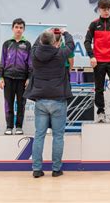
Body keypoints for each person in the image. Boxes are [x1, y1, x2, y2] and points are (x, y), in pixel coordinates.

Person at [24, 29, 75, 178]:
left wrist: (43, 32)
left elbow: (34, 45)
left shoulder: (34, 54)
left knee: (39, 135)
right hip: (58, 100)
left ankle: (37, 169)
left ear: (40, 40)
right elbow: (71, 45)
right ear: (54, 42)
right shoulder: (60, 54)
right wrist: (65, 33)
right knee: (58, 136)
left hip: (40, 101)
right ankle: (56, 169)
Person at [0, 18, 32, 135]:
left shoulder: (27, 45)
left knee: (21, 103)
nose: (18, 29)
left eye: (21, 27)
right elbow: (2, 60)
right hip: (8, 77)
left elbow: (30, 63)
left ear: (23, 30)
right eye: (16, 27)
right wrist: (0, 78)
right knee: (9, 103)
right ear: (13, 28)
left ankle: (19, 127)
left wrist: (29, 78)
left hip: (22, 79)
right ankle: (9, 126)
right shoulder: (7, 44)